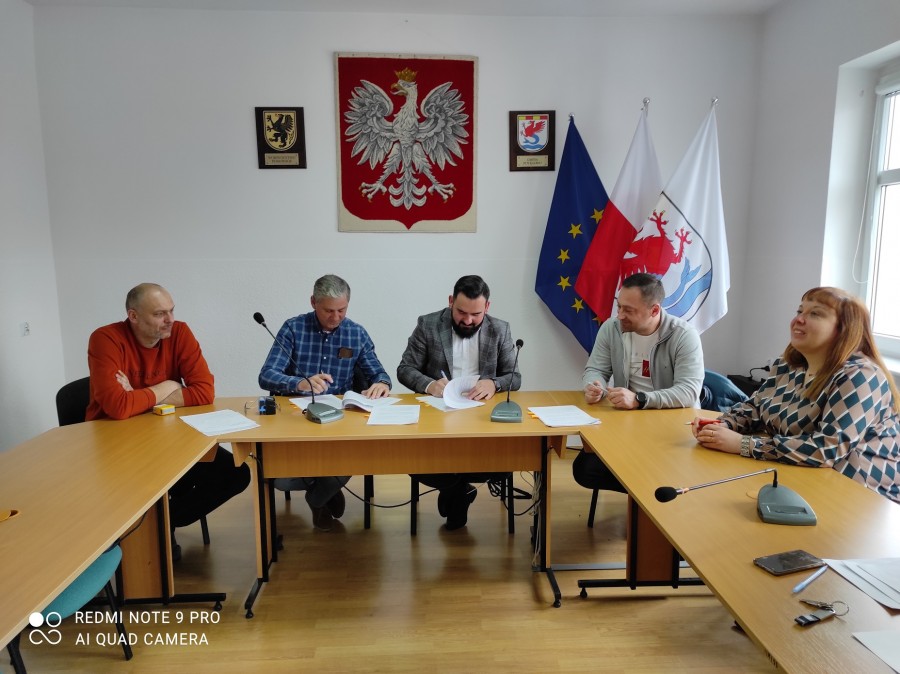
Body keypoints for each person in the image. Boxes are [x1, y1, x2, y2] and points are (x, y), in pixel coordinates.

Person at [86, 283, 251, 557]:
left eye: (172, 311)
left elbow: (204, 392)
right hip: (116, 445)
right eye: (159, 314)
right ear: (133, 316)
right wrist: (168, 386)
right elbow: (118, 407)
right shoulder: (106, 339)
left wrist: (136, 396)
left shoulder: (179, 333)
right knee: (153, 480)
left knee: (235, 474)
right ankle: (143, 537)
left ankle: (161, 524)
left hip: (168, 437)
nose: (170, 319)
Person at [693, 286, 900, 504]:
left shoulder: (861, 376)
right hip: (801, 479)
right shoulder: (788, 364)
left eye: (815, 314)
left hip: (860, 496)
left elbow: (827, 449)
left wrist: (743, 444)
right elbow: (755, 408)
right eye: (800, 311)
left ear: (844, 329)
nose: (798, 319)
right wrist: (722, 425)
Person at [258, 274, 392, 531]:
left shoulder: (356, 333)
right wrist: (299, 383)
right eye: (328, 310)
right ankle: (327, 486)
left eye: (342, 310)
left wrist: (382, 384)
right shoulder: (293, 329)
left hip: (339, 419)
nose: (335, 317)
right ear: (313, 302)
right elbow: (266, 375)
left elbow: (379, 373)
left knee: (354, 457)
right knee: (282, 480)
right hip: (296, 418)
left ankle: (318, 497)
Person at [397, 275, 521, 530]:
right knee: (415, 462)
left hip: (481, 419)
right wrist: (429, 385)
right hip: (437, 418)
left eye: (476, 314)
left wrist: (494, 383)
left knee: (502, 464)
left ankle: (455, 490)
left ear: (487, 307)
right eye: (461, 312)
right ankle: (460, 490)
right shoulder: (428, 324)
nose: (468, 320)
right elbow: (405, 369)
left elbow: (514, 377)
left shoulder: (500, 329)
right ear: (451, 301)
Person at [574, 272, 704, 492]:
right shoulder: (611, 328)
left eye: (629, 310)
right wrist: (594, 385)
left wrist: (639, 399)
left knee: (660, 472)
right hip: (628, 424)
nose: (620, 315)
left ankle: (648, 493)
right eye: (619, 307)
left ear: (654, 310)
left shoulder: (684, 335)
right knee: (585, 470)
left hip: (671, 427)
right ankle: (644, 492)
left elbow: (688, 392)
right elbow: (595, 369)